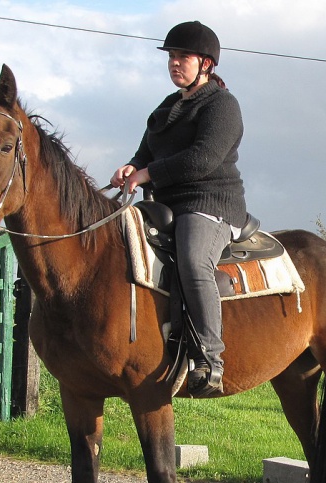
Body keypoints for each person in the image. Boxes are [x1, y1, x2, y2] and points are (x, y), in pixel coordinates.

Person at [111, 20, 249, 397]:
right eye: (171, 56)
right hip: (165, 203)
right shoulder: (166, 107)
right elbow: (146, 152)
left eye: (182, 56)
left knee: (191, 258)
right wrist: (131, 166)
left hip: (210, 203)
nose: (174, 63)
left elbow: (202, 160)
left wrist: (146, 173)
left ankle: (209, 359)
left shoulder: (223, 106)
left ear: (206, 63)